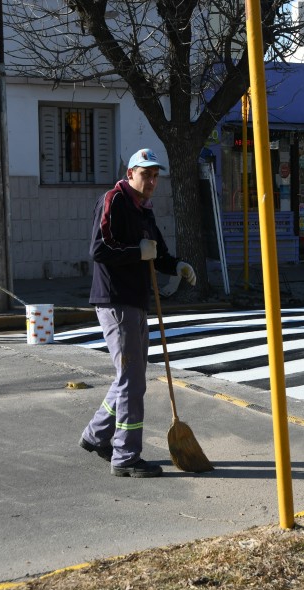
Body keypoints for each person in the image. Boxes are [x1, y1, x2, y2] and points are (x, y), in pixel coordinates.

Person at [79, 148, 197, 478]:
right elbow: (98, 249)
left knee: (128, 377)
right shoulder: (113, 200)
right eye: (146, 174)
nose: (152, 181)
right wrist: (137, 252)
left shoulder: (144, 210)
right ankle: (126, 456)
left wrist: (177, 266)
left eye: (156, 175)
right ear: (130, 173)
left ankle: (95, 435)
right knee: (133, 381)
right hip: (116, 301)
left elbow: (157, 254)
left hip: (136, 301)